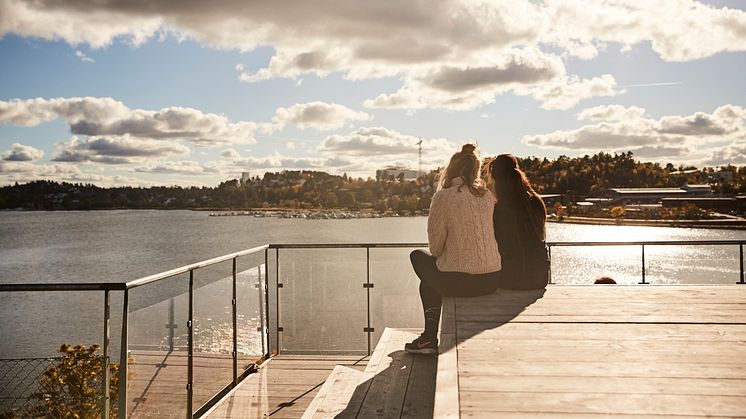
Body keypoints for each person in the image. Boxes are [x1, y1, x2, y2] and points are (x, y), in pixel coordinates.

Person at [405, 143, 502, 355]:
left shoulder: (444, 197)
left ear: (451, 170)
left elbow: (436, 248)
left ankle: (429, 338)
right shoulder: (486, 196)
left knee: (419, 259)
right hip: (492, 279)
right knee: (430, 279)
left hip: (463, 281)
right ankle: (427, 340)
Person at [488, 154, 550, 290]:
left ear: (496, 179)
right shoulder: (537, 201)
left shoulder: (499, 209)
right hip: (539, 278)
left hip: (510, 279)